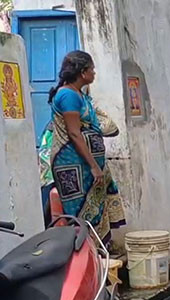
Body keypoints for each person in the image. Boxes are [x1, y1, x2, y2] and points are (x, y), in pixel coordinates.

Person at [48, 50, 124, 244]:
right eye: (92, 69)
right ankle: (86, 256)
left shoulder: (78, 94)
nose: (94, 73)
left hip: (84, 163)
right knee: (81, 215)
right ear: (83, 72)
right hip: (73, 163)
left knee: (96, 210)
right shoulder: (68, 96)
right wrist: (93, 165)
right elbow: (74, 133)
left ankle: (96, 254)